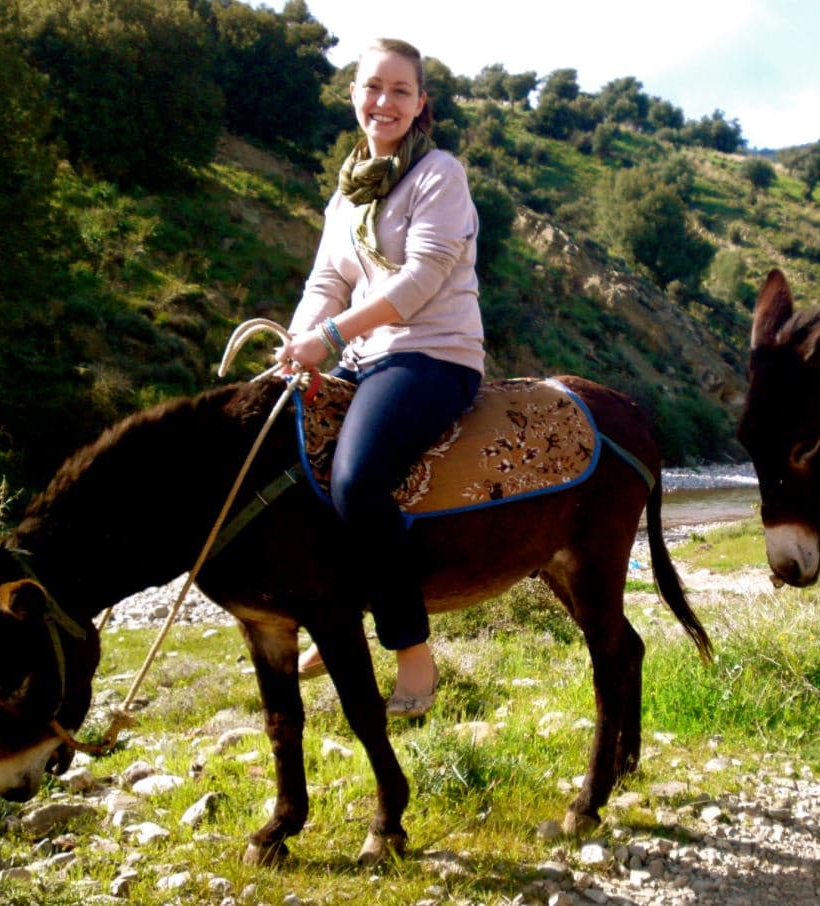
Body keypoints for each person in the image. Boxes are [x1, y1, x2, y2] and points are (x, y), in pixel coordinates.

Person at [279, 38, 484, 719]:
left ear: (421, 104)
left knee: (356, 479)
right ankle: (339, 613)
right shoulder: (347, 193)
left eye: (400, 91)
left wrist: (331, 338)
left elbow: (420, 281)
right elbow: (325, 282)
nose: (384, 102)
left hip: (433, 354)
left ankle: (412, 651)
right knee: (289, 463)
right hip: (364, 356)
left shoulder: (438, 175)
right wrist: (296, 345)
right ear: (353, 95)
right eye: (373, 87)